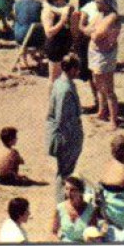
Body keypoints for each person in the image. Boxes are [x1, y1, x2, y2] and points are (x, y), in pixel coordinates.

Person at [46, 54, 85, 183]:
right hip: (67, 138)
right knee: (65, 174)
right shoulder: (65, 90)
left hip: (67, 134)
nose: (78, 71)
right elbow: (62, 118)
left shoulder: (59, 82)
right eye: (77, 69)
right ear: (72, 69)